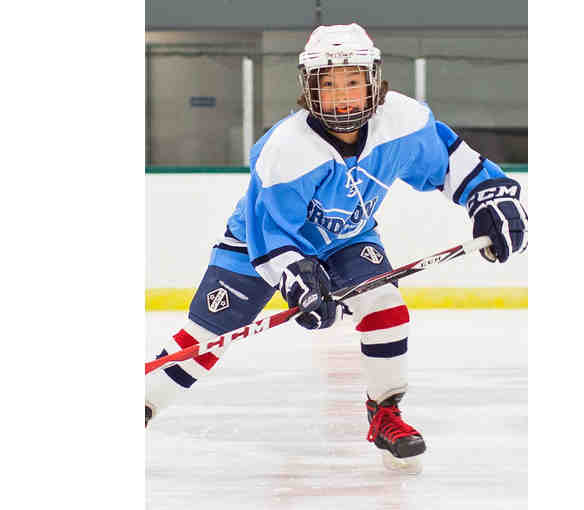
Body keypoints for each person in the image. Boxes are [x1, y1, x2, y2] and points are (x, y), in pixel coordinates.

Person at [145, 23, 528, 472]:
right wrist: (299, 282)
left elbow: (452, 164)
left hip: (349, 239)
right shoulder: (285, 150)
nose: (342, 96)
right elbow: (273, 235)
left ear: (373, 81)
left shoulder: (403, 121)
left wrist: (491, 198)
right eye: (328, 84)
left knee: (385, 306)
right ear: (309, 89)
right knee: (207, 336)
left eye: (352, 81)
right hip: (258, 244)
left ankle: (385, 414)